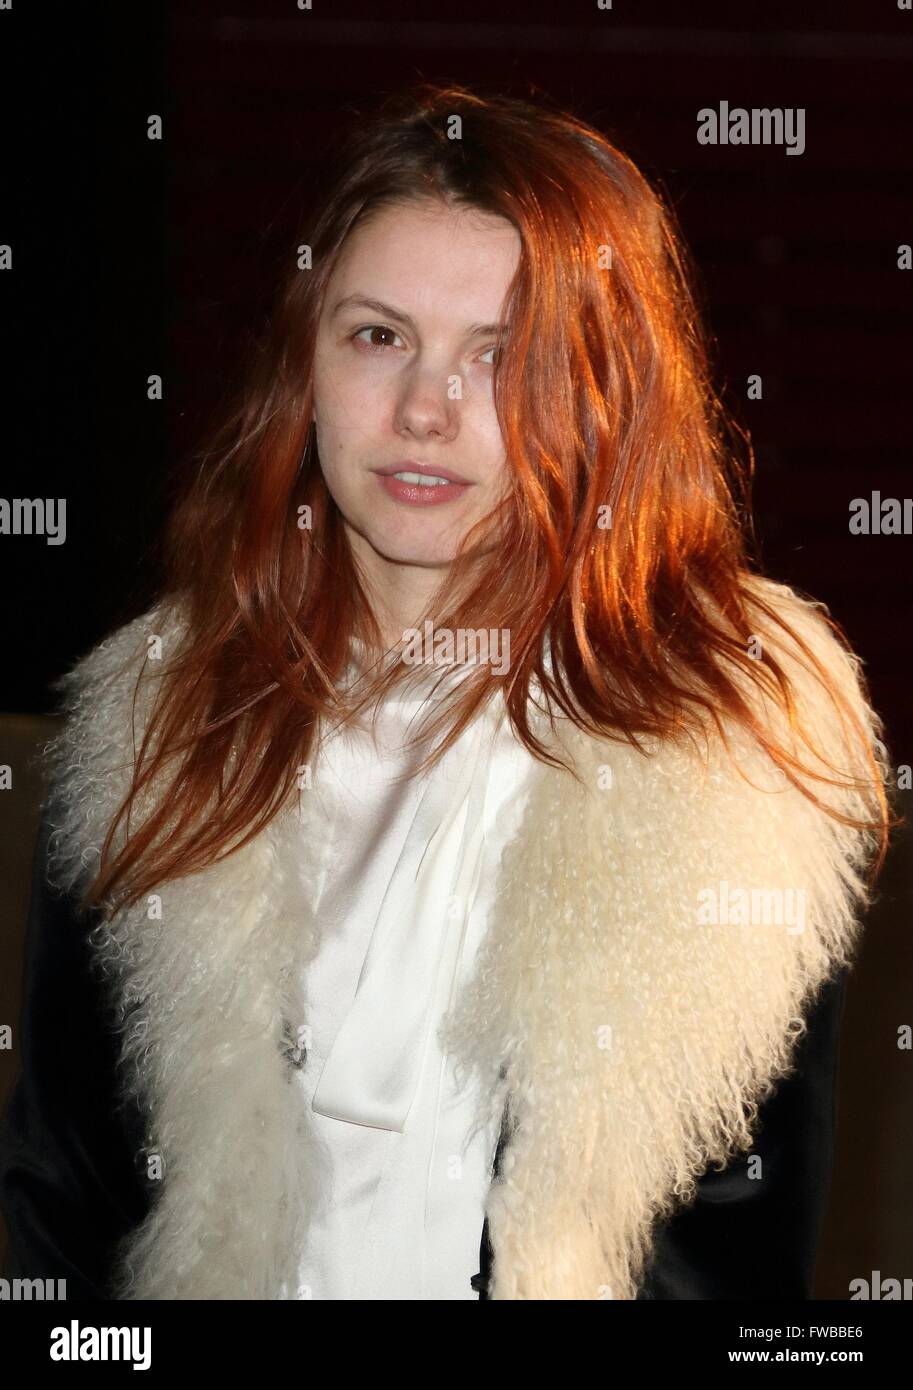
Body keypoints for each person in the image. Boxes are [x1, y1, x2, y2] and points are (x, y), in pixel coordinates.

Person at [0, 83, 891, 1301]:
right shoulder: (155, 717)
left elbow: (741, 1256)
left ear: (603, 394)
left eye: (503, 356)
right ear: (302, 362)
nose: (425, 411)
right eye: (378, 336)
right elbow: (62, 1195)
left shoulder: (737, 755)